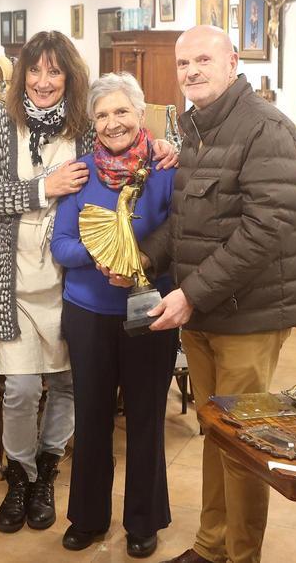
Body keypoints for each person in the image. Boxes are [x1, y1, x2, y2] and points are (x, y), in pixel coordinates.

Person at [0, 31, 176, 535]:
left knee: (67, 388)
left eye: (54, 72)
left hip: (70, 287)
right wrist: (42, 187)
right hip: (15, 276)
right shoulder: (0, 121)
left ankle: (49, 475)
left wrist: (166, 145)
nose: (43, 81)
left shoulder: (84, 126)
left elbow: (132, 144)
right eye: (34, 72)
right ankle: (21, 474)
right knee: (18, 388)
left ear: (69, 78)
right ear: (21, 78)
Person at [146, 26, 296, 563]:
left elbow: (263, 232)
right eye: (183, 63)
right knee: (215, 434)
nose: (191, 71)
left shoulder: (266, 130)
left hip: (249, 317)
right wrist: (141, 257)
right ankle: (211, 546)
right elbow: (186, 220)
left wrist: (191, 293)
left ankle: (242, 556)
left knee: (244, 446)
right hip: (203, 313)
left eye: (202, 59)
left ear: (232, 61)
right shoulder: (196, 126)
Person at [50, 73, 177, 559]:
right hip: (88, 312)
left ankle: (144, 521)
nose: (112, 122)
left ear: (140, 115)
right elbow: (61, 245)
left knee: (146, 418)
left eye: (122, 112)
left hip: (151, 312)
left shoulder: (166, 170)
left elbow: (178, 238)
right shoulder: (81, 173)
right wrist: (100, 255)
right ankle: (87, 517)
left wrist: (139, 261)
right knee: (94, 416)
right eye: (102, 115)